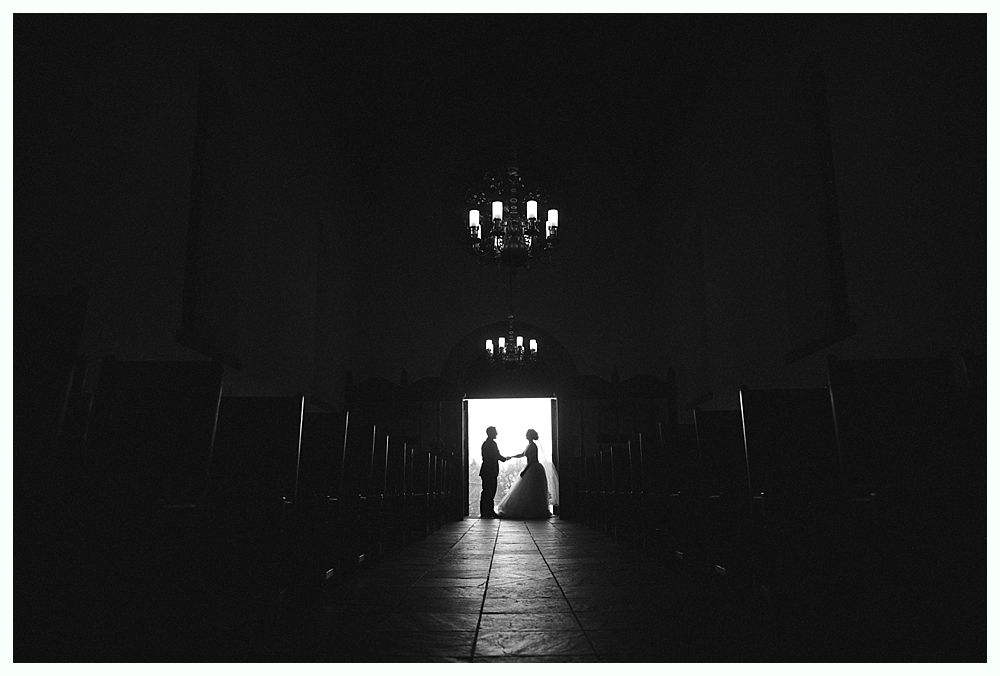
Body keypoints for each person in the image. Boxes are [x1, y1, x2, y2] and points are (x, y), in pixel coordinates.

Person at [497, 429, 553, 519]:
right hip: (532, 467)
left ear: (530, 436)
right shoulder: (530, 445)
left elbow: (531, 460)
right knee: (530, 490)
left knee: (532, 490)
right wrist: (512, 456)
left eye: (527, 434)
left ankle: (534, 510)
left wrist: (525, 470)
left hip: (533, 468)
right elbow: (522, 454)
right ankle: (533, 510)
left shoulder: (533, 446)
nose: (526, 435)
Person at [479, 426, 508, 518]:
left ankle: (485, 511)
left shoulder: (486, 443)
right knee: (490, 491)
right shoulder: (492, 444)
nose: (497, 434)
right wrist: (504, 458)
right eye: (495, 432)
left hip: (487, 470)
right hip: (490, 470)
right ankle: (488, 512)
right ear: (491, 433)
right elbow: (496, 455)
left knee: (487, 491)